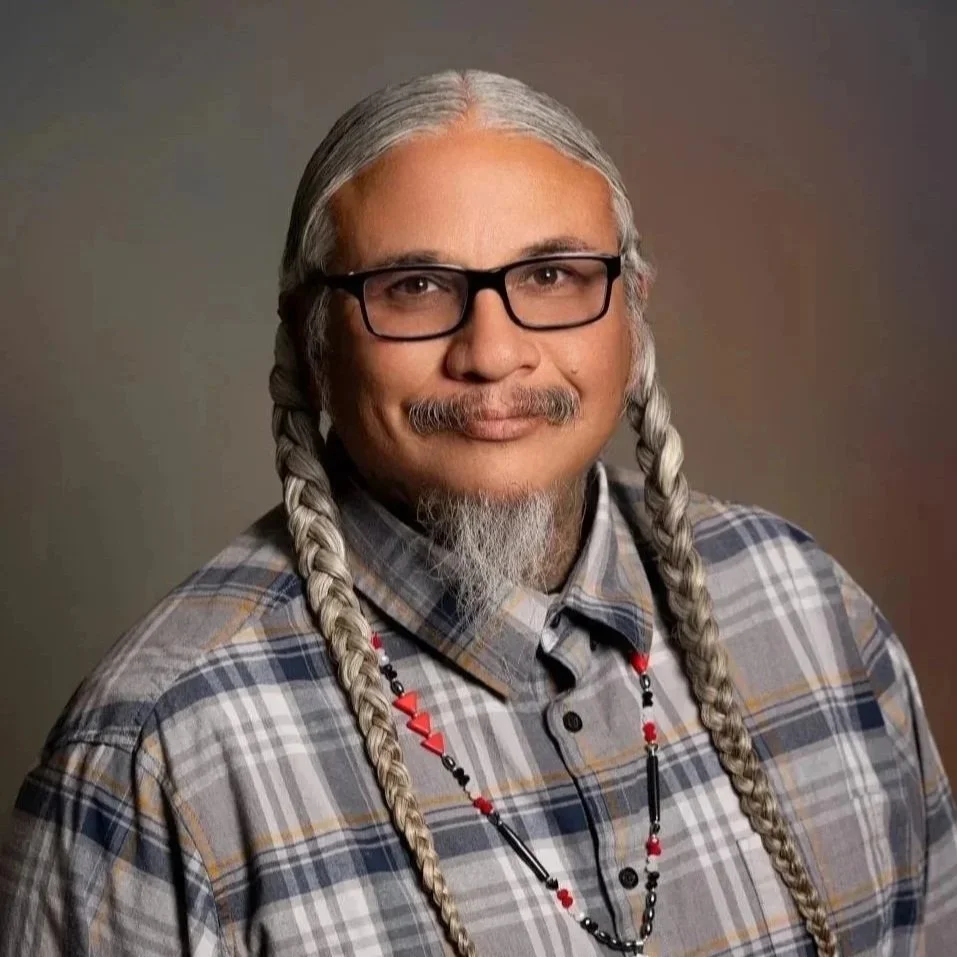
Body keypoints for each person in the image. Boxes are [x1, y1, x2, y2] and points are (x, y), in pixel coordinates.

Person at [1, 69, 955, 957]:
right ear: (313, 335)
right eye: (414, 288)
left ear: (634, 310)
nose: (492, 353)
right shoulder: (157, 757)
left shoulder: (812, 613)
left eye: (550, 277)